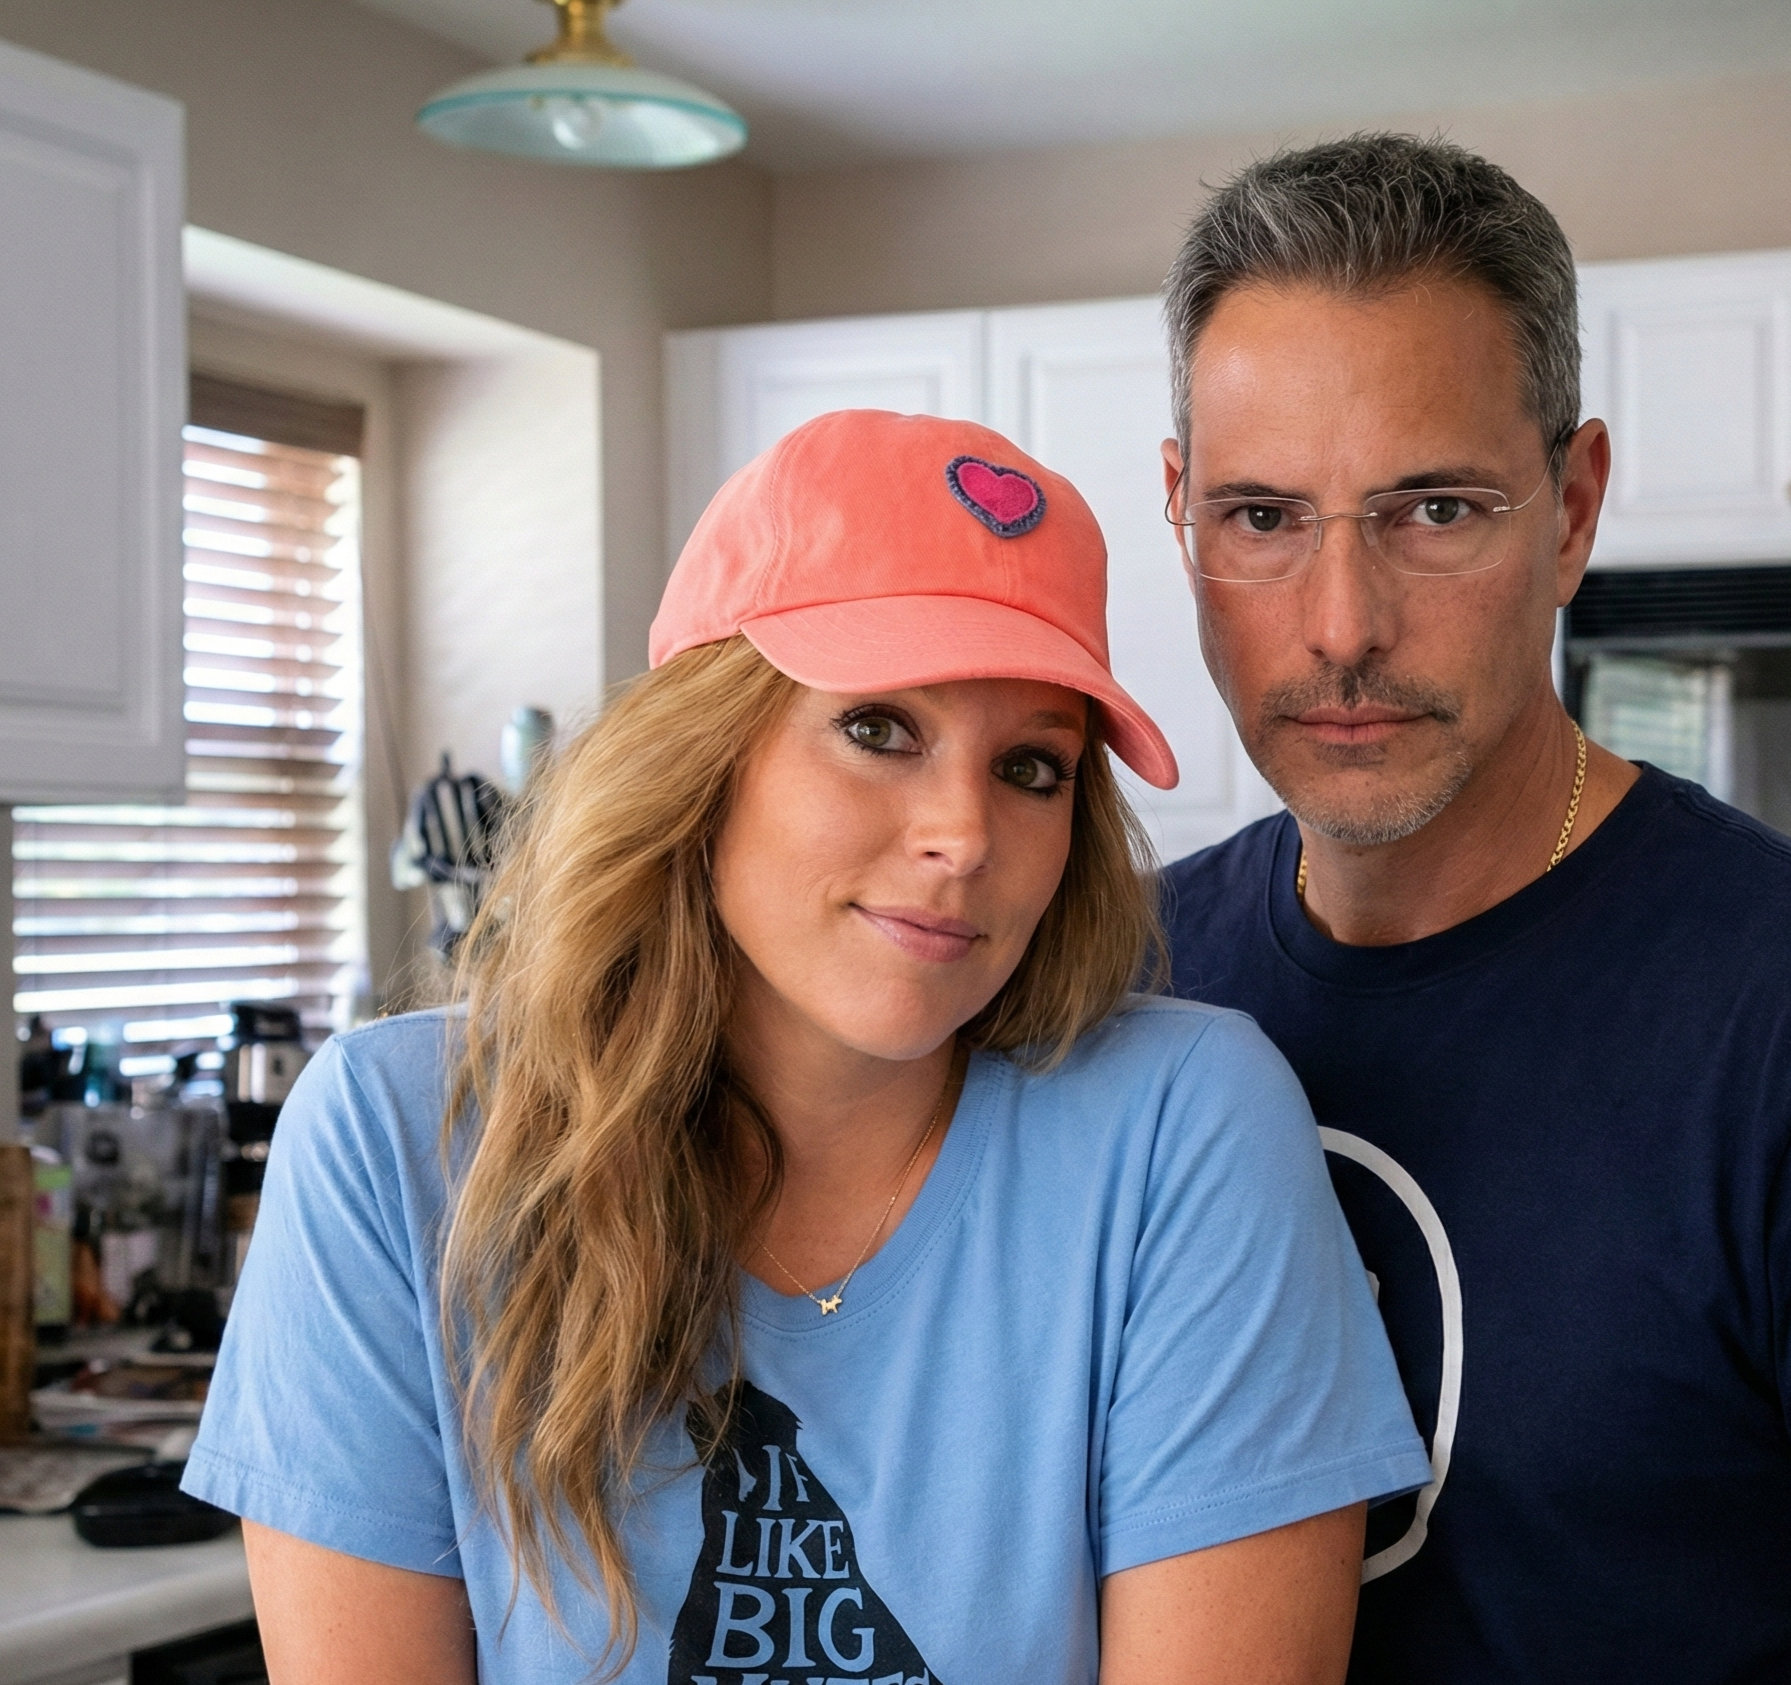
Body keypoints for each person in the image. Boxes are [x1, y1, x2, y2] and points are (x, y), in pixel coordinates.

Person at [183, 410, 1429, 1685]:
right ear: (704, 757)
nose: (964, 834)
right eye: (879, 728)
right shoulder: (398, 1145)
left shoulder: (1182, 1128)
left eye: (1033, 766)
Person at [1156, 135, 1791, 1683]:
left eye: (1433, 510)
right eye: (1263, 517)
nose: (1341, 625)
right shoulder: (1116, 989)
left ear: (1570, 510)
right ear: (1178, 515)